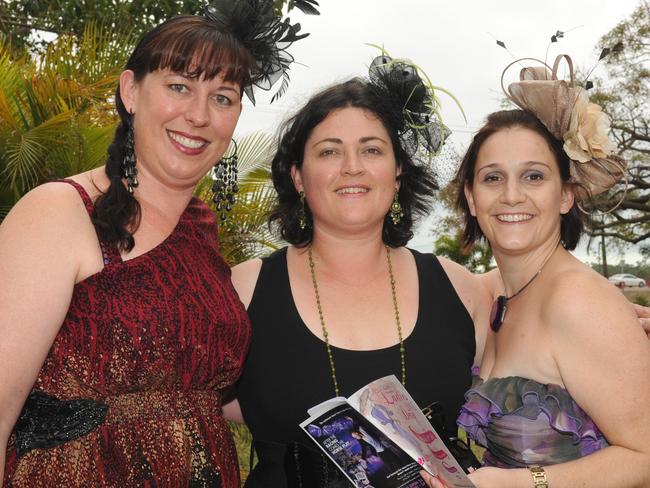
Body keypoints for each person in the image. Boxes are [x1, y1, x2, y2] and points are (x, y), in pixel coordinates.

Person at [0, 1, 314, 485]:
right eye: (180, 87)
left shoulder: (203, 233)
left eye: (223, 98)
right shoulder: (59, 212)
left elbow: (209, 396)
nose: (199, 115)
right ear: (131, 91)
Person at [225, 53, 494, 487]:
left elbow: (537, 364)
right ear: (297, 175)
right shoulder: (243, 289)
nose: (352, 166)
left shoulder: (462, 290)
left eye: (371, 149)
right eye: (329, 151)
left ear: (398, 170)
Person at [421, 55, 650, 487]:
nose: (511, 196)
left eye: (533, 176)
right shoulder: (480, 291)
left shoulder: (579, 301)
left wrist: (522, 484)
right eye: (492, 178)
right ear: (471, 198)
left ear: (566, 196)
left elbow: (645, 457)